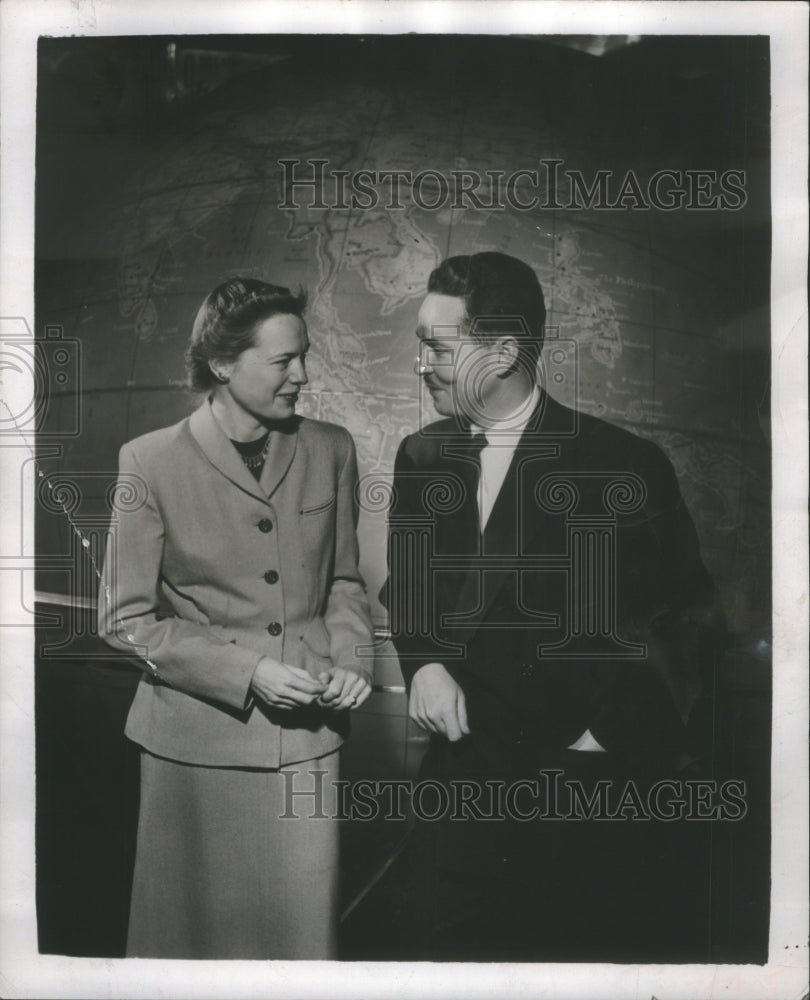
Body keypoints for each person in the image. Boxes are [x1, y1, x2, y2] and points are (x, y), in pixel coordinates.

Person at [381, 251, 725, 961]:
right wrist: (425, 665)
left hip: (582, 792)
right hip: (461, 784)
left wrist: (603, 740)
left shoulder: (624, 464)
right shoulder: (420, 456)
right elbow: (409, 589)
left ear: (504, 351)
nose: (422, 364)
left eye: (437, 348)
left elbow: (686, 620)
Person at [98, 277, 374, 959]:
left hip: (306, 741)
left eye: (303, 356)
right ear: (223, 364)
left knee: (298, 948)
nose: (302, 376)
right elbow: (126, 618)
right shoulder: (149, 461)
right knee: (187, 947)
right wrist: (247, 672)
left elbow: (344, 580)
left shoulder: (332, 449)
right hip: (193, 749)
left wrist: (352, 661)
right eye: (283, 361)